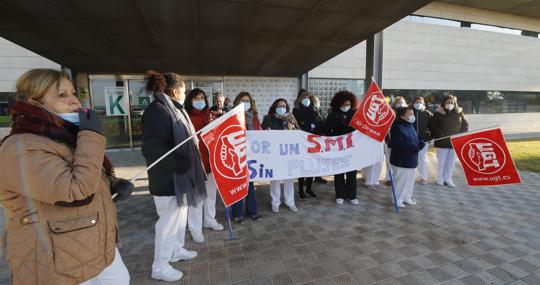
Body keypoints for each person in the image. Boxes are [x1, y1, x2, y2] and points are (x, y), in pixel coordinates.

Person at [0, 69, 130, 285]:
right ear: (35, 103)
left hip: (91, 244)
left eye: (73, 93)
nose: (74, 102)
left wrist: (112, 186)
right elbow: (74, 192)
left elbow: (85, 172)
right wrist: (91, 136)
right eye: (62, 96)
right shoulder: (21, 147)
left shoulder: (64, 137)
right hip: (55, 260)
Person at [142, 71, 207, 282]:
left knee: (180, 217)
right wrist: (178, 163)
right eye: (185, 90)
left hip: (180, 177)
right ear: (175, 90)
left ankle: (175, 250)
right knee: (167, 223)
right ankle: (159, 266)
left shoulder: (175, 109)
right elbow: (152, 149)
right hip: (167, 179)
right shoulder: (158, 110)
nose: (185, 93)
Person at [184, 88, 224, 244]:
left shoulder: (211, 115)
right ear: (190, 100)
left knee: (211, 195)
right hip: (195, 162)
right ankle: (195, 228)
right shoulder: (186, 117)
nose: (200, 100)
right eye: (196, 98)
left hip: (211, 162)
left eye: (202, 97)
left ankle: (209, 220)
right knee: (197, 198)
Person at [262, 98, 300, 213]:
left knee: (289, 179)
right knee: (275, 179)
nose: (281, 108)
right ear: (274, 107)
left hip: (288, 153)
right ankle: (275, 202)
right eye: (279, 106)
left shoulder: (291, 118)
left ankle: (290, 202)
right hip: (274, 154)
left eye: (283, 106)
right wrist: (267, 129)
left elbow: (299, 132)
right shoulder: (268, 118)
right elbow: (263, 130)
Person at [231, 92, 261, 224]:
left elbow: (258, 130)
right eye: (242, 100)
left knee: (250, 185)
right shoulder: (232, 116)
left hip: (251, 155)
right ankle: (237, 213)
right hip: (236, 154)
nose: (245, 102)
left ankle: (252, 211)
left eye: (247, 100)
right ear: (237, 102)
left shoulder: (254, 116)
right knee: (238, 184)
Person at [325, 91, 359, 205]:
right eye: (343, 105)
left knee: (351, 172)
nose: (346, 107)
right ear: (338, 104)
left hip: (352, 148)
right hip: (337, 148)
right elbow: (326, 130)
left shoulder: (356, 114)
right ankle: (340, 194)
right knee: (339, 172)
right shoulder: (333, 115)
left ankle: (352, 195)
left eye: (348, 104)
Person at [428, 95, 469, 188]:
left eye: (452, 103)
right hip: (442, 141)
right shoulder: (438, 113)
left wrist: (460, 135)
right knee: (442, 162)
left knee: (451, 162)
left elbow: (465, 125)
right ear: (444, 103)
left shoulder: (459, 112)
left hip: (455, 142)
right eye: (448, 102)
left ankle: (448, 179)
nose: (450, 104)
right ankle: (440, 179)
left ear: (455, 104)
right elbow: (432, 125)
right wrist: (440, 134)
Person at [389, 107, 425, 208]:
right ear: (402, 116)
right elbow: (396, 143)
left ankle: (406, 197)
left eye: (412, 113)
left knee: (409, 180)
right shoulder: (397, 127)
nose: (412, 116)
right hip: (401, 160)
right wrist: (413, 147)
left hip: (411, 159)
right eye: (409, 114)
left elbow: (417, 138)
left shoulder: (410, 125)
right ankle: (397, 199)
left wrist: (421, 143)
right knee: (400, 181)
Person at [293, 91, 324, 199]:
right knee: (303, 168)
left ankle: (309, 188)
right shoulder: (296, 111)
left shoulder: (315, 110)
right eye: (304, 98)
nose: (307, 100)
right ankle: (301, 190)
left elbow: (320, 123)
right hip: (302, 143)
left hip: (314, 143)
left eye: (309, 98)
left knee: (312, 166)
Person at [411, 96, 433, 185]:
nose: (418, 104)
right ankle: (411, 176)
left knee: (422, 159)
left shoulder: (427, 114)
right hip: (411, 140)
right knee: (411, 158)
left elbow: (432, 127)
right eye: (417, 102)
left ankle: (423, 177)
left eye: (420, 102)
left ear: (423, 103)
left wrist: (429, 137)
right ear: (413, 103)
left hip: (423, 141)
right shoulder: (409, 112)